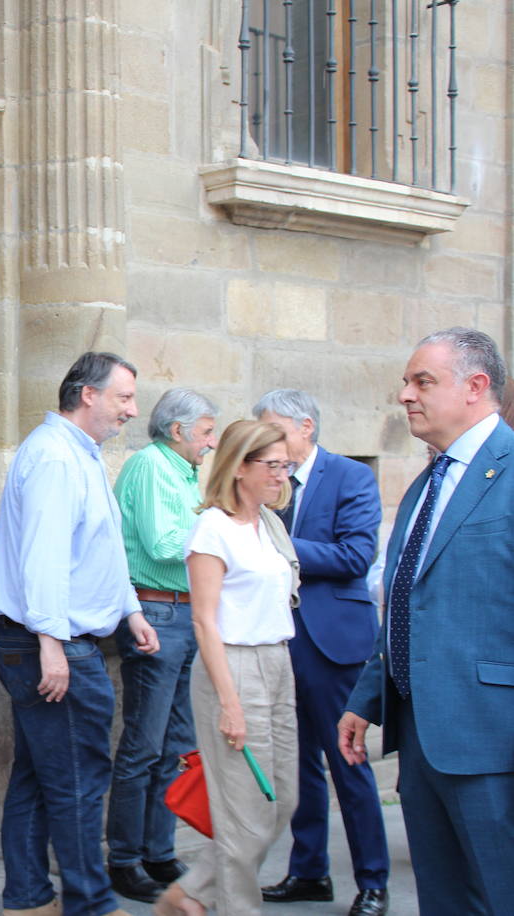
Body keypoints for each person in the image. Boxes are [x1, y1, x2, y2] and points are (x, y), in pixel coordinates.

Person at [340, 328, 514, 915]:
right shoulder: (426, 484)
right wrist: (367, 697)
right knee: (444, 901)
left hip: (494, 742)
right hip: (419, 739)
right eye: (407, 381)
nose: (405, 395)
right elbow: (409, 602)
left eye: (423, 381)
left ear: (476, 386)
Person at [0, 351, 160, 916]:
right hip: (50, 643)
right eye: (124, 397)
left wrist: (130, 610)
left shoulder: (79, 453)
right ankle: (90, 904)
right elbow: (45, 559)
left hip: (50, 638)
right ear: (88, 394)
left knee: (40, 777)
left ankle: (29, 899)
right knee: (79, 782)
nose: (132, 410)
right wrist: (52, 646)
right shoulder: (57, 457)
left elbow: (97, 551)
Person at [252, 390, 388, 916]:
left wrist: (280, 548)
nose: (268, 443)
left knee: (347, 764)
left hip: (334, 644)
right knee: (297, 766)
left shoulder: (351, 477)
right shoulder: (268, 480)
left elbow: (357, 555)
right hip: (281, 640)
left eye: (274, 430)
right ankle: (309, 872)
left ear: (305, 426)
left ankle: (373, 882)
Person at [156, 419, 300, 916]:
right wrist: (230, 703)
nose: (283, 475)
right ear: (240, 467)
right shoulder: (212, 528)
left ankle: (193, 891)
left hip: (277, 660)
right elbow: (204, 622)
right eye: (273, 465)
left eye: (287, 465)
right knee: (246, 818)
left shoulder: (270, 524)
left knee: (282, 802)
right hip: (232, 667)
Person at [107, 388, 218, 904]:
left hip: (184, 611)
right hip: (156, 611)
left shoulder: (184, 471)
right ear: (177, 430)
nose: (211, 443)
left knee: (175, 746)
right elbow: (161, 543)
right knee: (144, 745)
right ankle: (124, 859)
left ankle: (157, 848)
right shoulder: (151, 466)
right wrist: (220, 541)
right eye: (206, 432)